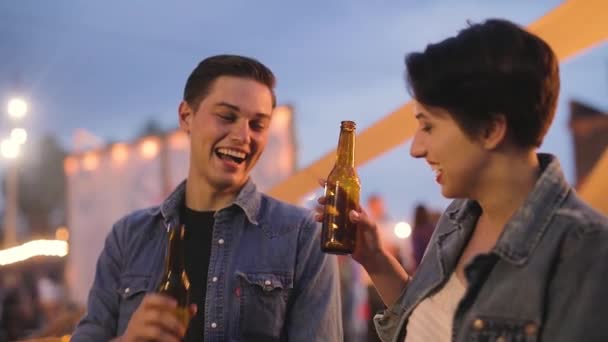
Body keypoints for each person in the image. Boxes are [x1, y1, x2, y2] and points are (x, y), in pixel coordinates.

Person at [315, 19, 608, 341]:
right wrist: (376, 260)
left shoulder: (585, 250)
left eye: (428, 126)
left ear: (490, 130)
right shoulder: (459, 216)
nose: (415, 149)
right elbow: (430, 325)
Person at [72, 55, 342, 342]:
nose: (242, 135)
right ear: (186, 117)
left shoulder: (301, 235)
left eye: (258, 125)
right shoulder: (128, 237)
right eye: (227, 116)